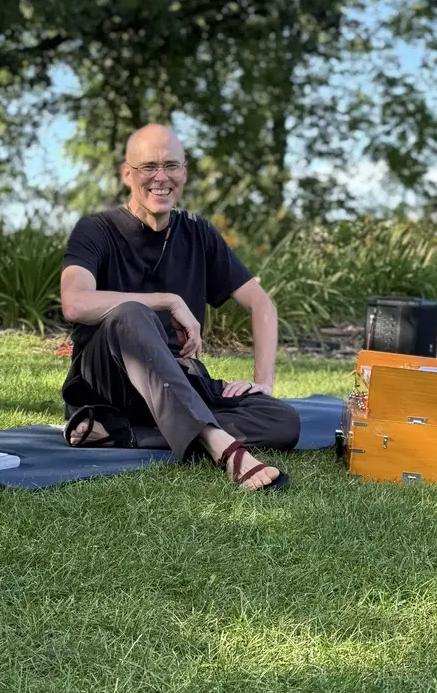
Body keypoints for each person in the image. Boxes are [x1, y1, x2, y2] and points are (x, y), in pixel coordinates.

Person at [59, 124, 299, 492]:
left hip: (177, 385)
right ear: (127, 173)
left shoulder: (198, 232)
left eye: (171, 165)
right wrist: (167, 301)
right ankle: (222, 446)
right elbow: (74, 304)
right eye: (149, 167)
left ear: (184, 172)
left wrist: (263, 381)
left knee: (283, 421)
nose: (161, 177)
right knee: (131, 312)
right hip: (111, 384)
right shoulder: (95, 230)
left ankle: (123, 435)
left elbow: (261, 303)